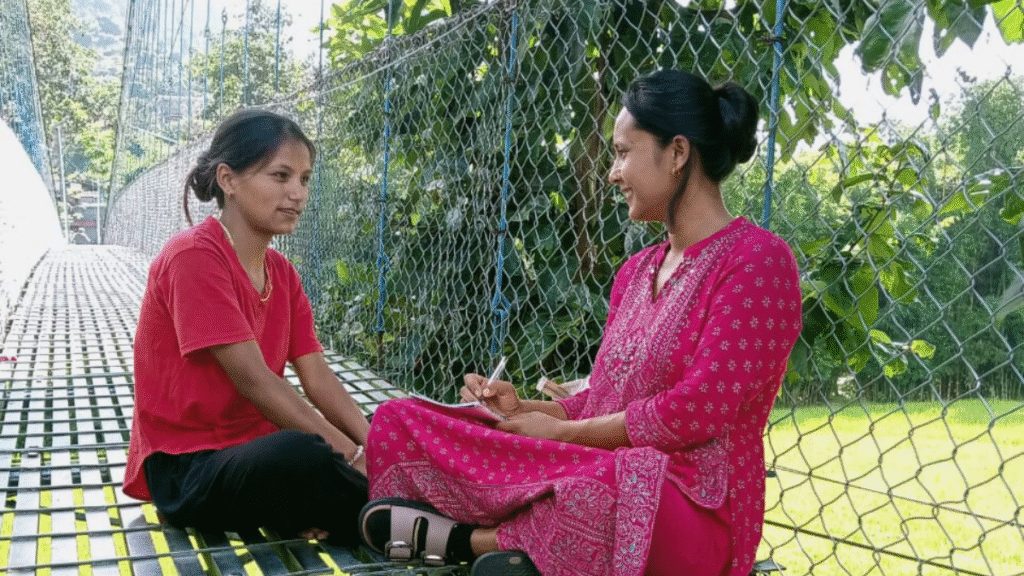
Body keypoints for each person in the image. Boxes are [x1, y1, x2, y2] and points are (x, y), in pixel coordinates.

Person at [358, 69, 803, 576]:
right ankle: (518, 539)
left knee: (605, 485)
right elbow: (605, 399)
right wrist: (522, 408)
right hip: (594, 464)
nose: (612, 173)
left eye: (621, 152)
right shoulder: (636, 272)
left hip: (688, 501)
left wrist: (560, 436)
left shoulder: (758, 261)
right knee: (401, 420)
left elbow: (697, 411)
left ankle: (469, 539)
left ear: (677, 153)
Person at [123, 109, 370, 545]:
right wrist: (351, 457)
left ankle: (365, 510)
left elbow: (317, 376)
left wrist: (375, 449)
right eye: (280, 176)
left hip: (253, 449)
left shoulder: (282, 273)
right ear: (228, 179)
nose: (297, 193)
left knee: (394, 426)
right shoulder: (194, 258)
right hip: (191, 468)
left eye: (304, 179)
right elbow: (256, 382)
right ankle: (428, 522)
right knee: (299, 455)